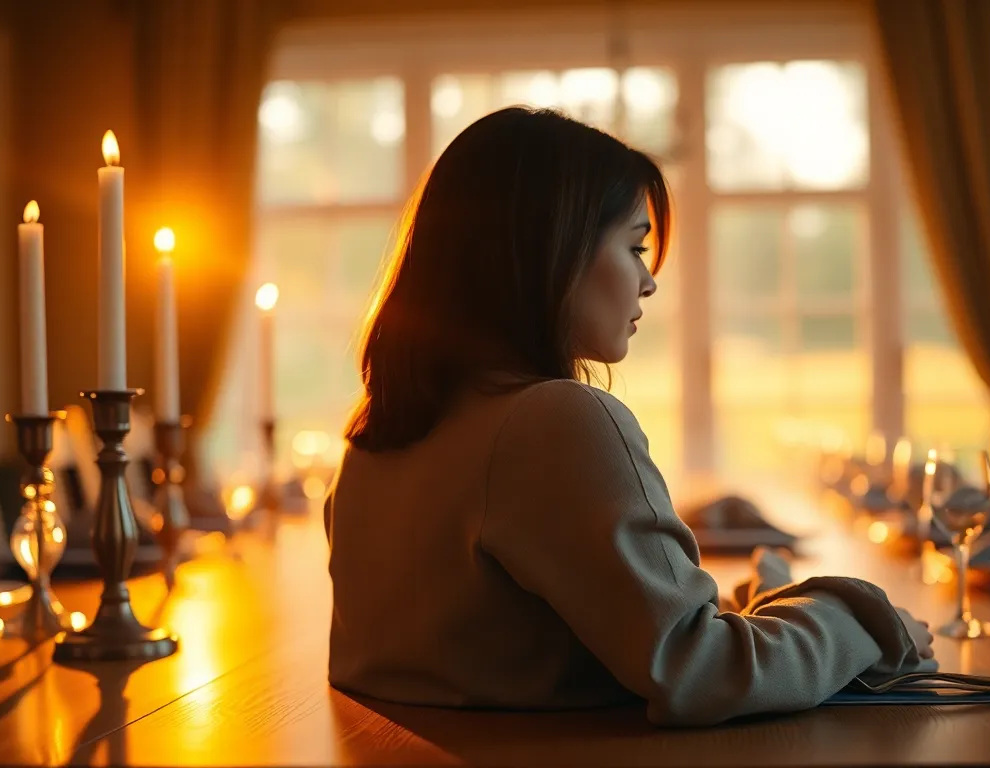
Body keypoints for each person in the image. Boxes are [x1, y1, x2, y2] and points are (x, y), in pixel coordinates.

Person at [324, 107, 935, 728]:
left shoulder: (372, 439)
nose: (649, 282)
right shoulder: (554, 420)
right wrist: (861, 620)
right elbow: (700, 668)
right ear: (550, 249)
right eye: (635, 246)